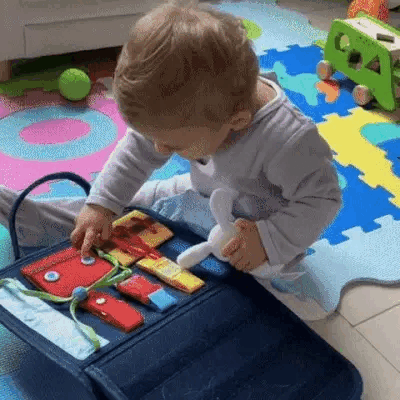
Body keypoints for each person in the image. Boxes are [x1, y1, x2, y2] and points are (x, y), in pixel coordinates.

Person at [0, 0, 341, 279]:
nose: (159, 150)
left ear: (236, 121)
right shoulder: (198, 114)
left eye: (173, 145)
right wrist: (102, 204)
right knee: (122, 205)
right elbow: (137, 151)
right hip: (203, 194)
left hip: (253, 230)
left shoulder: (288, 139)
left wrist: (270, 240)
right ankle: (45, 220)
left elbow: (323, 199)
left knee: (253, 276)